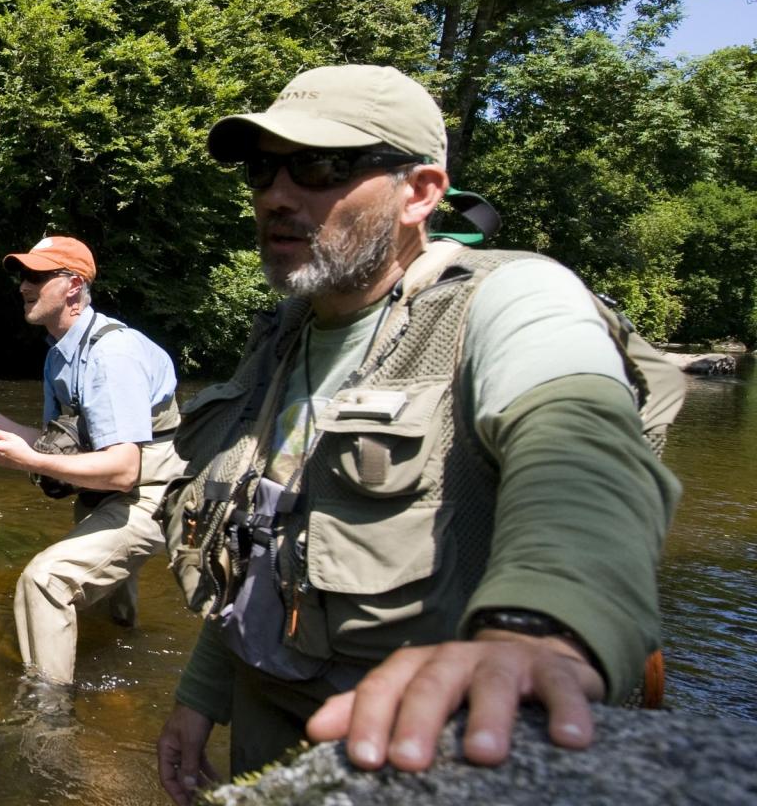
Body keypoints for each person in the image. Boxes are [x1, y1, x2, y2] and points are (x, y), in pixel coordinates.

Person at [153, 64, 684, 804]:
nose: (277, 193)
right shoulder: (283, 333)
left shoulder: (515, 299)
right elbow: (265, 536)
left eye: (321, 166)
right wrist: (201, 693)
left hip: (422, 752)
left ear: (422, 192)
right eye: (263, 169)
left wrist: (539, 628)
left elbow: (581, 448)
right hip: (262, 718)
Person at [0, 235, 182, 691]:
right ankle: (128, 665)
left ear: (73, 286)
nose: (22, 286)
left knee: (45, 582)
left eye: (36, 276)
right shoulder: (60, 355)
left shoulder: (111, 356)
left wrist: (30, 461)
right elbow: (59, 446)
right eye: (21, 276)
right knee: (109, 610)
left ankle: (47, 716)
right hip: (108, 490)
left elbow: (124, 468)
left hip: (151, 493)